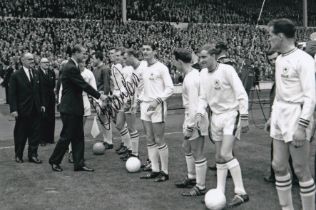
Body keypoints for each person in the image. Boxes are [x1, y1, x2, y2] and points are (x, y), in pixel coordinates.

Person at [267, 18, 316, 210]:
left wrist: (302, 126)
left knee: (300, 169)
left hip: (297, 115)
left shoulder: (304, 59)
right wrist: (273, 116)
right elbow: (280, 92)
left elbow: (311, 96)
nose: (269, 39)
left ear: (280, 36)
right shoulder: (279, 59)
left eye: (270, 35)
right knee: (278, 166)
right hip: (280, 113)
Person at [196, 44, 249, 208]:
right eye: (200, 57)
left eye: (204, 57)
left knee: (226, 153)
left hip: (231, 115)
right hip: (216, 117)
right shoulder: (202, 74)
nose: (201, 60)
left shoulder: (227, 70)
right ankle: (220, 191)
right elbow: (203, 97)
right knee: (219, 157)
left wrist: (245, 115)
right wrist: (199, 113)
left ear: (213, 56)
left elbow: (241, 93)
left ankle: (241, 192)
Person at [49, 45, 107, 172]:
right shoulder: (70, 67)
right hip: (70, 108)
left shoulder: (72, 66)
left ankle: (79, 163)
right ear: (76, 53)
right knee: (67, 136)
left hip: (74, 107)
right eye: (83, 53)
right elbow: (83, 85)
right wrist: (100, 96)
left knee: (78, 136)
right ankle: (54, 161)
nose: (85, 56)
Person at [173, 48, 208, 196]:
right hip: (191, 116)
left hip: (195, 119)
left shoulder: (191, 78)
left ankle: (200, 186)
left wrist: (190, 126)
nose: (174, 65)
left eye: (175, 62)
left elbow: (195, 105)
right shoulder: (190, 75)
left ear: (180, 62)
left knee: (197, 152)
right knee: (186, 147)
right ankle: (192, 177)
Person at [139, 42, 174, 182]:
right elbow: (141, 87)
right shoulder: (144, 68)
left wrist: (157, 101)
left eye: (148, 49)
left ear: (155, 51)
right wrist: (140, 100)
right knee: (149, 138)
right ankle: (155, 169)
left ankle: (165, 172)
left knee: (159, 139)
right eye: (143, 49)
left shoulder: (162, 68)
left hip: (157, 106)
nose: (145, 51)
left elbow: (170, 88)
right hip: (145, 106)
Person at [263, 51, 298, 184]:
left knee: (289, 147)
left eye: (274, 59)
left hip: (288, 115)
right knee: (276, 147)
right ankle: (275, 174)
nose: (272, 62)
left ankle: (296, 176)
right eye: (270, 60)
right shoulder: (277, 71)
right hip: (277, 115)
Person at [9, 52, 45, 164]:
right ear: (23, 60)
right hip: (22, 110)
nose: (32, 61)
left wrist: (42, 104)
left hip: (35, 108)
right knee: (21, 133)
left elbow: (40, 91)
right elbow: (12, 94)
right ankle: (18, 155)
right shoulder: (16, 75)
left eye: (32, 59)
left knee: (35, 134)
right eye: (29, 59)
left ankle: (33, 155)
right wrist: (13, 109)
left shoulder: (35, 73)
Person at [67, 59, 98, 163]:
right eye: (79, 62)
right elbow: (63, 88)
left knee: (80, 130)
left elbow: (93, 88)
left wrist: (97, 101)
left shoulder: (89, 73)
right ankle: (71, 152)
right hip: (73, 101)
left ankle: (78, 154)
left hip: (84, 102)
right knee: (73, 129)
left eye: (83, 62)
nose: (81, 64)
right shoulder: (72, 71)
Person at [92, 50, 113, 149]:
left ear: (98, 58)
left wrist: (105, 99)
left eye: (94, 58)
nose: (92, 60)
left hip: (102, 97)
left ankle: (109, 141)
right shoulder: (95, 69)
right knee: (102, 120)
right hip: (97, 97)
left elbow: (106, 85)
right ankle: (106, 140)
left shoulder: (105, 69)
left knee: (106, 119)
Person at [38, 58, 56, 146]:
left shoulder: (51, 72)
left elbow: (53, 85)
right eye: (44, 63)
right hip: (42, 100)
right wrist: (41, 102)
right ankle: (42, 139)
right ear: (40, 64)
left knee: (51, 118)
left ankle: (50, 138)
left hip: (51, 99)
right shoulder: (37, 73)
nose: (47, 64)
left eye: (48, 62)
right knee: (42, 120)